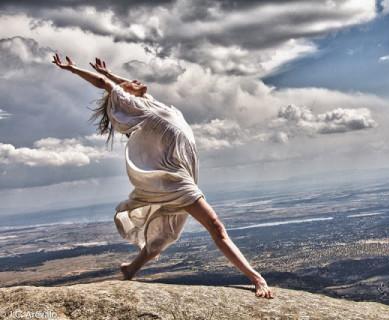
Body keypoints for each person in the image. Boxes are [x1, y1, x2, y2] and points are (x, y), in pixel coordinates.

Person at [52, 54, 274, 299]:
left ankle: (131, 268)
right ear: (126, 96)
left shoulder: (151, 103)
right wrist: (73, 69)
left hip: (181, 173)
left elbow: (125, 84)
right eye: (129, 84)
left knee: (167, 233)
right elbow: (108, 87)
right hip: (175, 179)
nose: (135, 81)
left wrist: (111, 74)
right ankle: (256, 278)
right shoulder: (136, 106)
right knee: (216, 227)